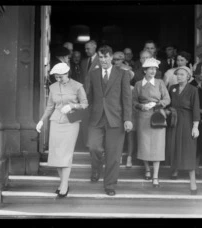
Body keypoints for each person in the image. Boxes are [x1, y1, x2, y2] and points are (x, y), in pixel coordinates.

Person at [36, 63, 88, 198]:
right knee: (57, 154)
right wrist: (41, 120)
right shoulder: (53, 87)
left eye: (60, 77)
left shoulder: (77, 86)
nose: (58, 80)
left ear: (67, 74)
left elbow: (85, 104)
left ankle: (64, 185)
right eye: (56, 77)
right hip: (56, 122)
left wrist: (72, 106)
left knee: (66, 154)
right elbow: (50, 107)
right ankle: (63, 182)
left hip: (71, 122)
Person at [87, 45, 133, 196]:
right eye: (101, 57)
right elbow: (88, 97)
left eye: (106, 57)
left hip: (116, 118)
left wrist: (127, 119)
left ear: (112, 57)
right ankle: (96, 169)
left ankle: (110, 184)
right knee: (94, 147)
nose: (104, 60)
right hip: (96, 118)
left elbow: (127, 98)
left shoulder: (122, 73)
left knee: (113, 154)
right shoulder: (93, 74)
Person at [132, 58, 170, 187]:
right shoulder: (138, 84)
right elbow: (133, 102)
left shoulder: (160, 83)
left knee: (157, 146)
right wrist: (142, 107)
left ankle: (155, 175)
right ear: (145, 70)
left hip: (158, 115)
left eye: (155, 69)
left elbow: (167, 99)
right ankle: (147, 169)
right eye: (150, 69)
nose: (153, 71)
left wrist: (157, 103)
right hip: (143, 117)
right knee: (144, 144)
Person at [166, 66, 200, 195]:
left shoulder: (193, 90)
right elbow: (168, 104)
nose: (179, 76)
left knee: (188, 150)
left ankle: (193, 181)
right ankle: (175, 169)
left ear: (188, 76)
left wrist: (195, 127)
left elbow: (196, 109)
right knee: (174, 146)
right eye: (177, 74)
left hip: (187, 121)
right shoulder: (172, 88)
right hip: (175, 121)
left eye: (182, 74)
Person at [113, 51, 136, 167]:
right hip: (117, 112)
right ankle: (118, 155)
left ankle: (129, 157)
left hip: (130, 112)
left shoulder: (133, 88)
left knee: (130, 135)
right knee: (118, 135)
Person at [80, 40, 101, 150]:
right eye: (85, 48)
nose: (86, 50)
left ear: (95, 47)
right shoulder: (84, 62)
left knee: (95, 120)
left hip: (96, 96)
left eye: (88, 48)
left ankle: (95, 143)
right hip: (84, 96)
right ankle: (86, 143)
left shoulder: (101, 60)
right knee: (85, 120)